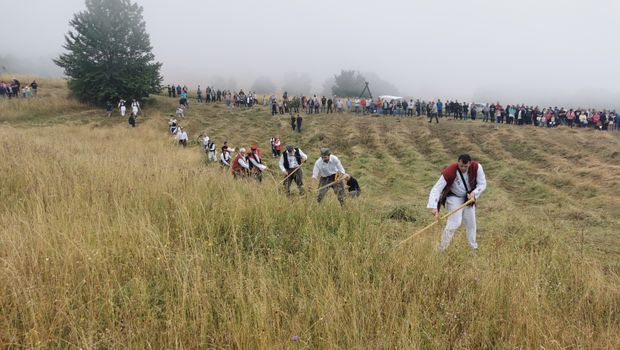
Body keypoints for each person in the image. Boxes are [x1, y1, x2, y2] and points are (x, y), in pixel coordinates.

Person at [427, 154, 487, 251]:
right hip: (454, 197)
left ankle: (473, 248)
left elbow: (482, 184)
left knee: (471, 223)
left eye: (466, 166)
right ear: (458, 163)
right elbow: (436, 188)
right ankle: (441, 249)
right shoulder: (450, 170)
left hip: (468, 197)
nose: (463, 168)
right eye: (461, 166)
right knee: (455, 223)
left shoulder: (477, 167)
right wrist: (433, 207)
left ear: (470, 164)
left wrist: (474, 193)